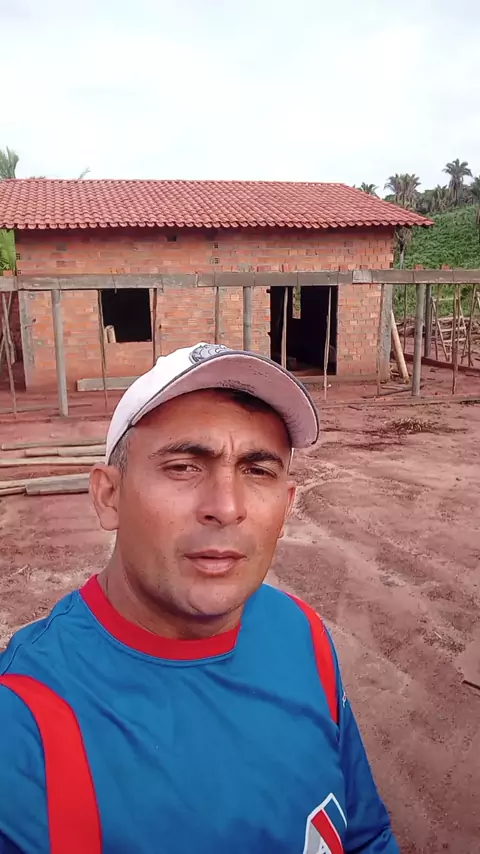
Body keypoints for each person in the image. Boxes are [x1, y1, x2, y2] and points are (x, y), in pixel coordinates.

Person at [0, 342, 399, 854]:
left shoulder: (301, 634)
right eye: (185, 466)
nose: (226, 507)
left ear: (287, 505)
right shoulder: (23, 725)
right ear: (108, 496)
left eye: (257, 470)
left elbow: (367, 836)